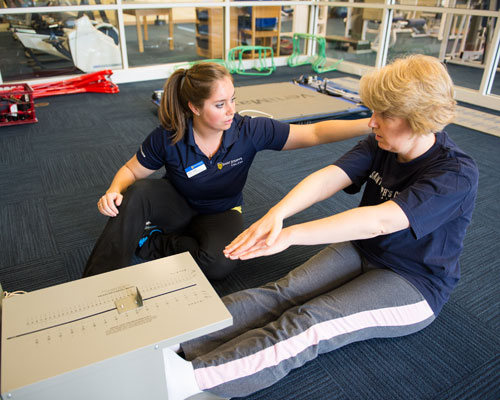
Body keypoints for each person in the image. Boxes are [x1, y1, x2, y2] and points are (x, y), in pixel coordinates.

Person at [159, 55, 478, 399]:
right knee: (282, 293)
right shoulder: (381, 142)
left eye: (384, 115)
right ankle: (180, 340)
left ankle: (193, 380)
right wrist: (278, 214)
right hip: (363, 250)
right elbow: (329, 177)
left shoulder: (455, 174)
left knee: (311, 320)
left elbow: (379, 221)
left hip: (414, 282)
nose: (372, 122)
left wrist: (292, 235)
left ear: (419, 118)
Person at [83, 62, 370, 279]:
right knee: (137, 193)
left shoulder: (249, 131)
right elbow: (131, 171)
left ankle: (154, 241)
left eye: (233, 99)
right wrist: (113, 190)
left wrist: (370, 123)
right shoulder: (169, 136)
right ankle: (96, 283)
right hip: (177, 204)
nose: (231, 110)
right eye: (220, 104)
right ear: (194, 107)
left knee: (220, 264)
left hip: (221, 210)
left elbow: (316, 133)